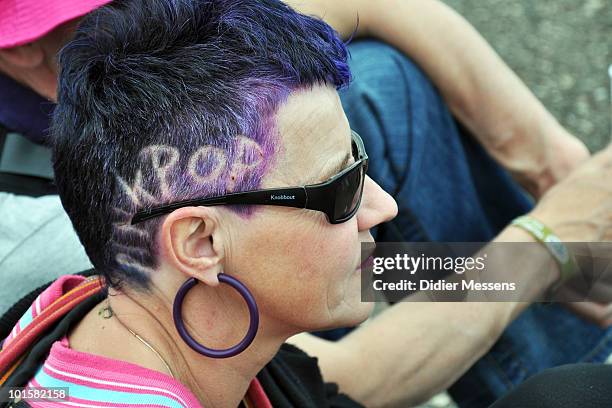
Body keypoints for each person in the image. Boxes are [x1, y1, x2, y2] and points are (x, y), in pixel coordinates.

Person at [0, 0, 611, 407]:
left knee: (383, 83)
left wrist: (553, 163)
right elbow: (361, 371)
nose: (386, 208)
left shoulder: (114, 288)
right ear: (199, 243)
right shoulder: (33, 238)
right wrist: (547, 244)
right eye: (343, 185)